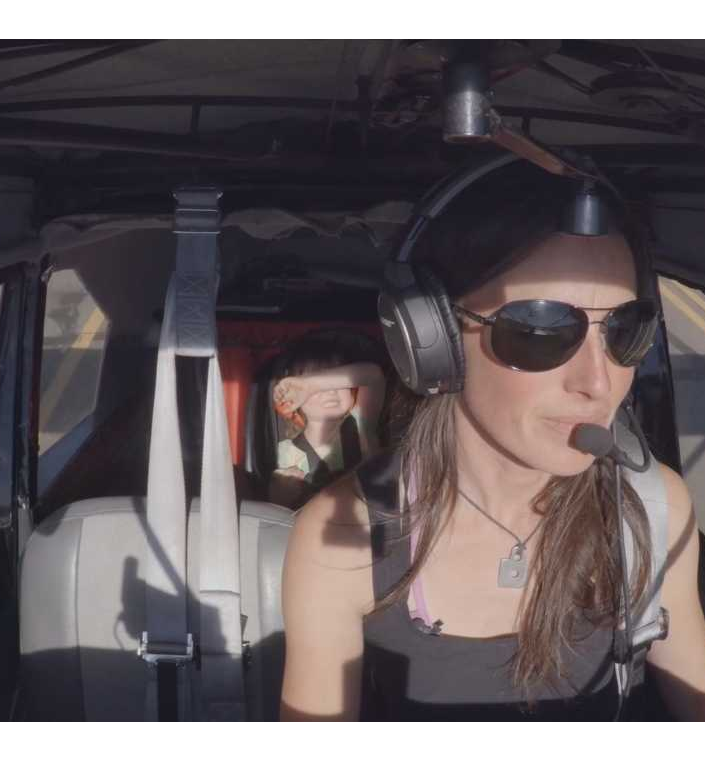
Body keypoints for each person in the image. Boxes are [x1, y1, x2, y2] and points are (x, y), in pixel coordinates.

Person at [281, 165, 705, 721]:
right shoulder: (342, 538)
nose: (599, 383)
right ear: (432, 341)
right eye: (541, 329)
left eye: (625, 329)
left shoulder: (650, 509)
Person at [268, 330, 386, 508]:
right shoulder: (288, 450)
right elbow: (282, 509)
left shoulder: (359, 425)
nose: (331, 391)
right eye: (316, 389)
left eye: (338, 383)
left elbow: (374, 375)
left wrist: (310, 385)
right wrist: (281, 496)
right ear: (291, 400)